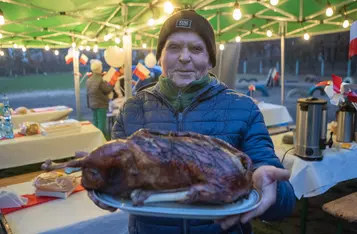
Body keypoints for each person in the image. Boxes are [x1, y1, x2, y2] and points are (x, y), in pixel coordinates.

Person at [88, 9, 296, 234]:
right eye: (174, 47)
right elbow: (114, 175)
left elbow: (283, 201)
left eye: (196, 49)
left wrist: (270, 188)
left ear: (210, 60)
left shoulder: (243, 109)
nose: (184, 57)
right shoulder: (132, 110)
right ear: (160, 56)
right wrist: (103, 185)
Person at [86, 59, 117, 136]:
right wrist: (111, 84)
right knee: (102, 124)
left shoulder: (89, 79)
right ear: (99, 68)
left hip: (92, 103)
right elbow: (107, 90)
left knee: (96, 122)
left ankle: (95, 138)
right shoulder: (100, 80)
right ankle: (102, 139)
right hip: (101, 104)